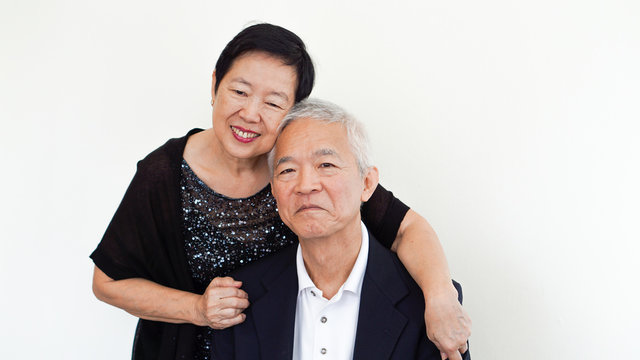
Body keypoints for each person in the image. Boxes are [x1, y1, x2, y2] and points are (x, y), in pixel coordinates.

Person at [91, 23, 470, 360]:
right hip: (185, 348)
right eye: (239, 91)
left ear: (292, 112)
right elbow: (108, 282)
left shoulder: (302, 170)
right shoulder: (164, 172)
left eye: (273, 102)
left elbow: (407, 228)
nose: (251, 114)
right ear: (214, 86)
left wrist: (439, 298)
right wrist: (198, 309)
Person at [212, 99, 470, 360]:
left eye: (326, 165)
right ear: (274, 192)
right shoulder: (242, 299)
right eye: (288, 170)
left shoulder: (428, 303)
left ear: (367, 183)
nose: (306, 185)